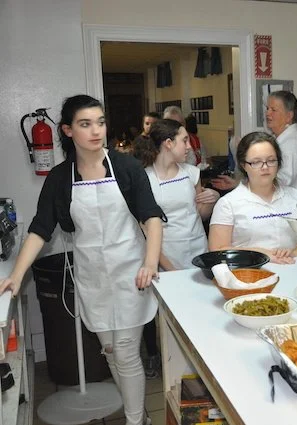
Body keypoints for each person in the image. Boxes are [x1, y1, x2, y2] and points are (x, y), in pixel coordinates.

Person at [0, 95, 164, 425]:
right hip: (93, 278)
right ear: (68, 130)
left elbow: (151, 217)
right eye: (85, 124)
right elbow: (40, 229)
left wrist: (150, 262)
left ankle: (135, 421)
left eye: (100, 122)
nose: (96, 131)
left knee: (127, 352)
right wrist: (16, 275)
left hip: (132, 274)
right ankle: (140, 418)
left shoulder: (127, 168)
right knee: (113, 354)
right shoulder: (61, 178)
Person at [208, 131, 297, 264]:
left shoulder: (295, 196)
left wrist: (294, 253)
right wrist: (260, 254)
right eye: (256, 162)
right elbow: (217, 249)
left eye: (271, 161)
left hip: (292, 267)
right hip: (248, 271)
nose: (265, 167)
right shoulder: (228, 203)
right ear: (244, 165)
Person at [212, 91, 297, 215]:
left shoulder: (292, 143)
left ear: (289, 116)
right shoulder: (281, 139)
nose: (268, 113)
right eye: (267, 108)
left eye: (274, 110)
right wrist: (237, 184)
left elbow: (280, 181)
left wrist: (241, 185)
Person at [135, 118, 218, 270]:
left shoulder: (192, 173)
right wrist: (171, 269)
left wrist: (213, 200)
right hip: (166, 254)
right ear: (168, 143)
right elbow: (146, 230)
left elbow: (200, 214)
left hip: (198, 250)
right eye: (184, 141)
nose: (189, 146)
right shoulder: (145, 179)